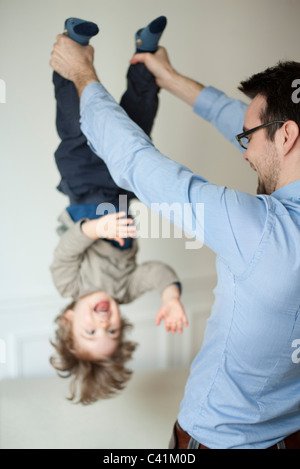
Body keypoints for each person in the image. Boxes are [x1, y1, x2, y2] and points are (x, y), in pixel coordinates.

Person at [49, 37, 300, 448]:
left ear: (287, 135)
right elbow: (258, 128)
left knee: (76, 130)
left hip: (221, 441)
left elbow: (137, 163)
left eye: (247, 139)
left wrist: (81, 74)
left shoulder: (261, 228)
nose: (245, 153)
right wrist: (173, 79)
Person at [49, 19, 187, 406]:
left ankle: (74, 47)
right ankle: (145, 53)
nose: (102, 323)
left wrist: (95, 229)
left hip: (83, 180)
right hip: (124, 186)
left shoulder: (69, 286)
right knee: (137, 122)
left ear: (68, 320)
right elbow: (157, 271)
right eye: (110, 332)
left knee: (73, 120)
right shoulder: (125, 291)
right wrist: (170, 295)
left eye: (89, 332)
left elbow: (67, 250)